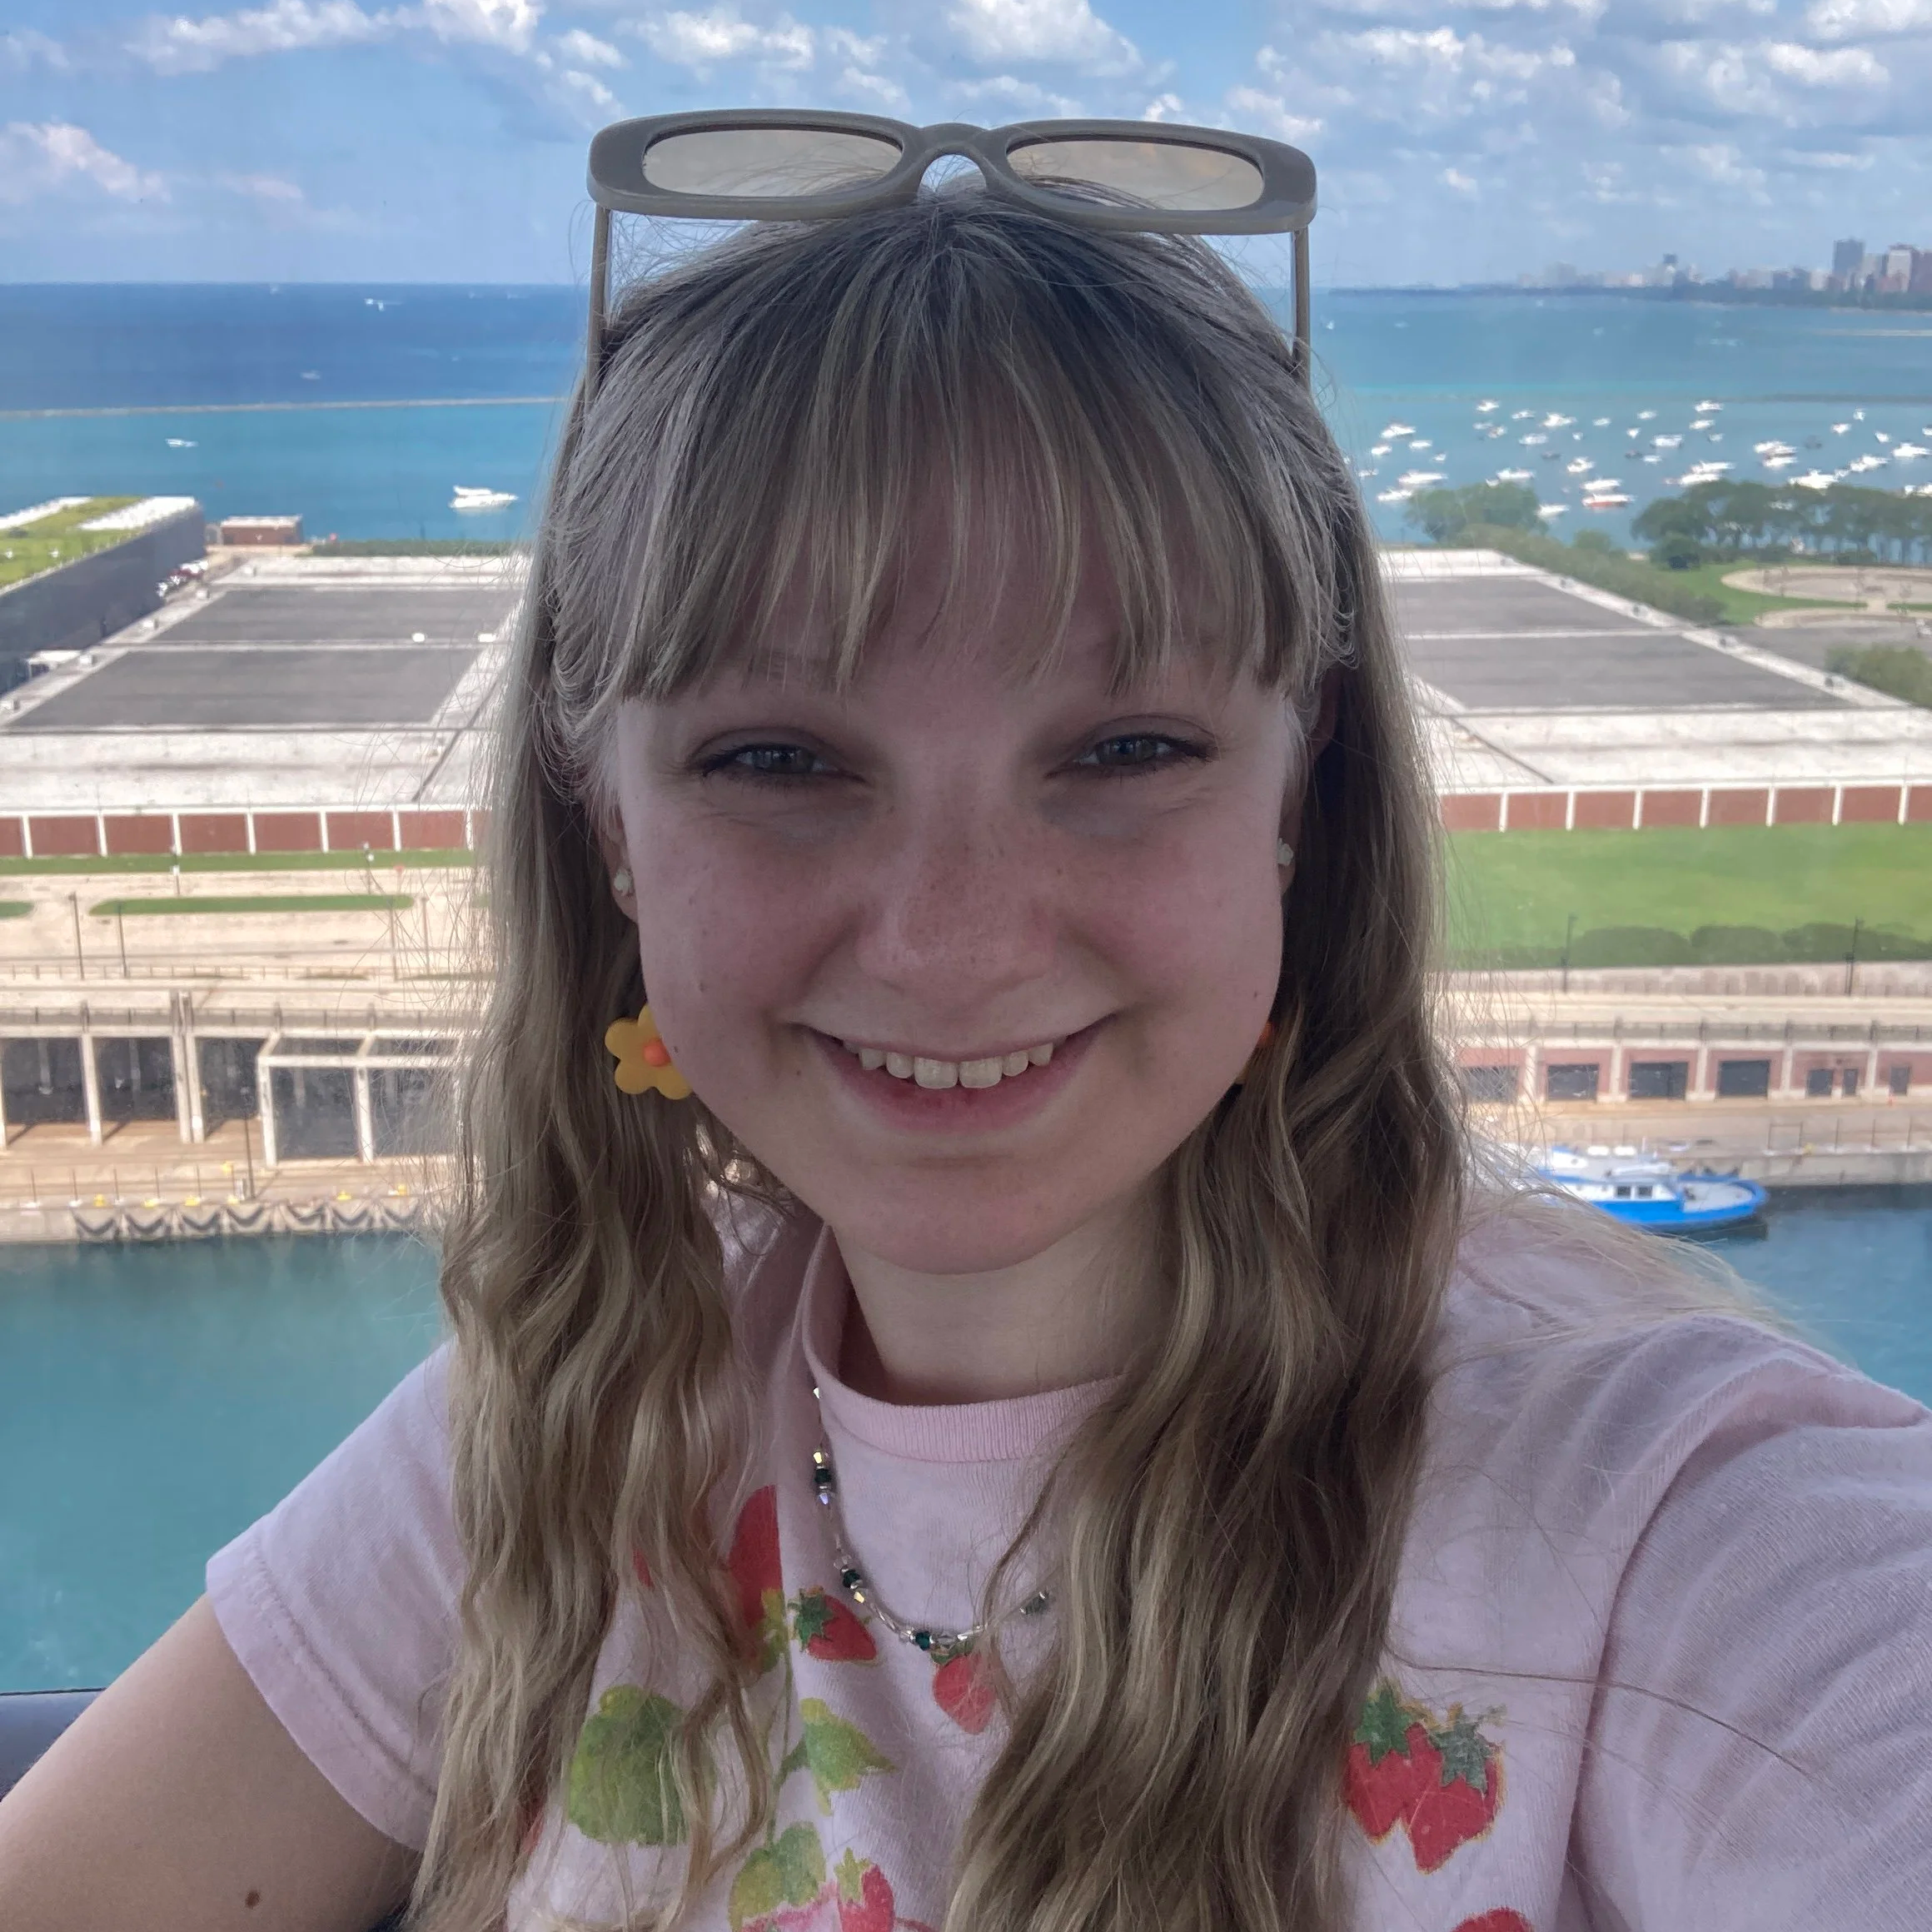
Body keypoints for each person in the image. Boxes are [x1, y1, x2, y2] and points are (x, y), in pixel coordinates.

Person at [4, 180, 1931, 1932]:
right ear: (603, 823)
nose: (947, 938)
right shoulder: (571, 1420)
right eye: (778, 760)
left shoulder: (1678, 1533)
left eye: (1121, 751)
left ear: (1297, 795)